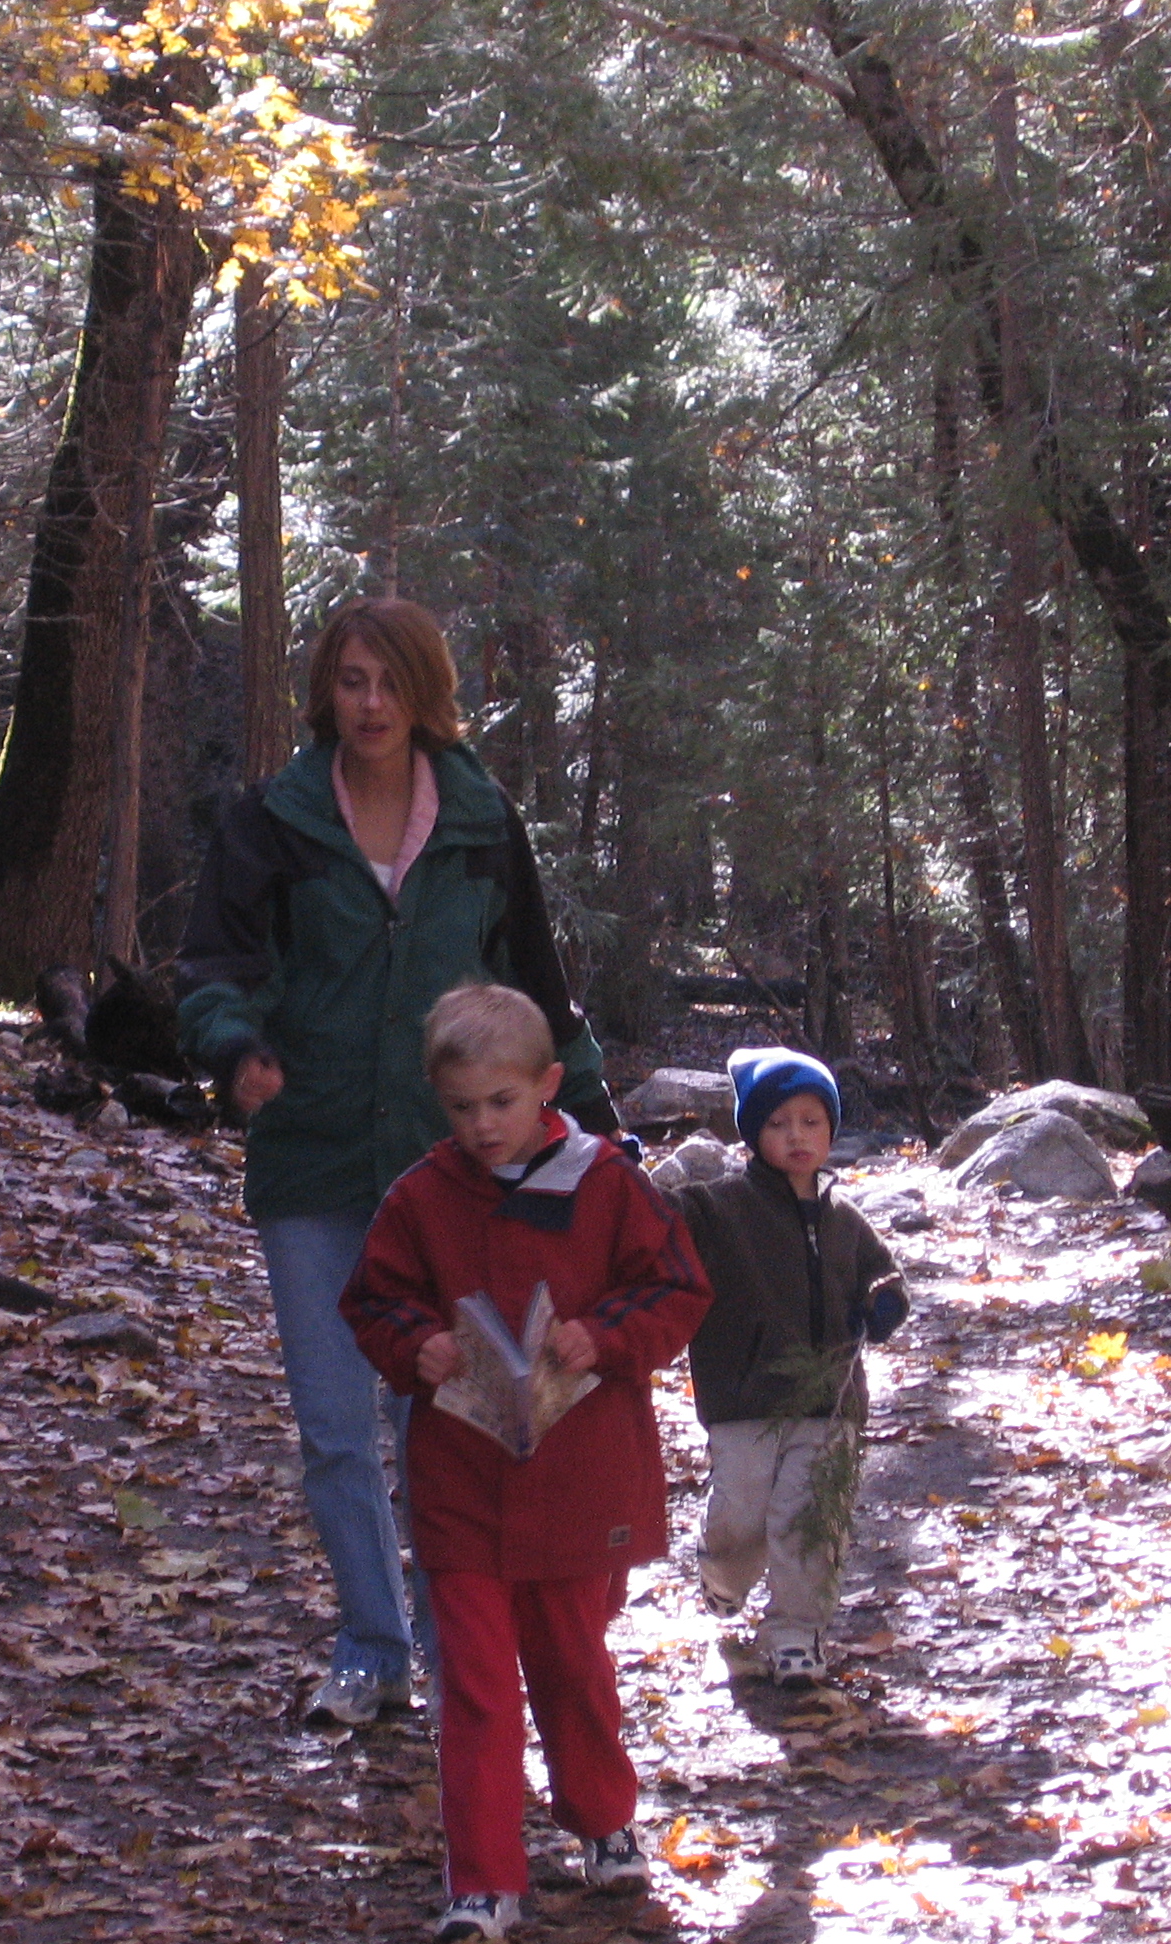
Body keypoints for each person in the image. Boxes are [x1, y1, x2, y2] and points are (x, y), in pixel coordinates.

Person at [176, 597, 624, 1728]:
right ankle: (372, 1649)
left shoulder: (480, 820)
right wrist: (235, 1051)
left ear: (425, 694)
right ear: (325, 691)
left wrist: (595, 1125)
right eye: (351, 681)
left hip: (453, 1174)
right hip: (315, 1162)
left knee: (457, 1424)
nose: (370, 704)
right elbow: (214, 970)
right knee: (336, 1431)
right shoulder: (272, 821)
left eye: (390, 682)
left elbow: (536, 986)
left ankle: (457, 1653)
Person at [339, 984, 707, 1942]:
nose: (482, 1126)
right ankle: (483, 1880)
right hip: (462, 1485)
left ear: (546, 1084)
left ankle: (603, 1818)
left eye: (501, 1102)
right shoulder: (423, 1195)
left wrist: (603, 1336)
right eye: (461, 1107)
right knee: (474, 1684)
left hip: (577, 1478)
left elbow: (678, 1287)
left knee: (573, 1664)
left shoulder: (606, 1182)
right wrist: (415, 1344)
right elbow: (372, 1298)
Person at [665, 1047, 911, 1687]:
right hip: (744, 1396)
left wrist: (884, 1302)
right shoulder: (718, 1208)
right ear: (752, 1135)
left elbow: (883, 1275)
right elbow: (655, 1217)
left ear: (831, 1130)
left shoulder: (845, 1218)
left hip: (831, 1400)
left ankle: (797, 1633)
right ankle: (723, 1572)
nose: (796, 1136)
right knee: (741, 1514)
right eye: (777, 1124)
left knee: (812, 1521)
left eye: (811, 1121)